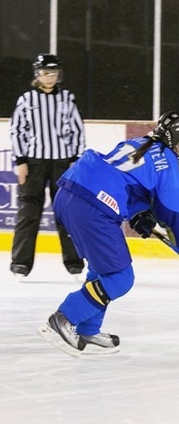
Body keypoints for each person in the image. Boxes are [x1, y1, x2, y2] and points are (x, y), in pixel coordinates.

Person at [37, 111, 179, 357]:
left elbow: (124, 179)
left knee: (103, 270)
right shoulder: (169, 165)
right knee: (120, 277)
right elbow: (175, 215)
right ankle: (64, 318)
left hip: (72, 192)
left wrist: (140, 212)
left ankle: (88, 330)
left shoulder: (139, 143)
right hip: (92, 206)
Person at [9, 53, 86, 278]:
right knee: (28, 212)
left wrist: (75, 160)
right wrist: (21, 161)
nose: (50, 77)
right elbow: (17, 130)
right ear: (37, 74)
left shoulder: (67, 99)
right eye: (45, 73)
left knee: (67, 211)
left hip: (62, 163)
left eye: (53, 73)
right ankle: (21, 263)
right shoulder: (26, 100)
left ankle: (74, 261)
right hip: (34, 163)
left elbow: (77, 130)